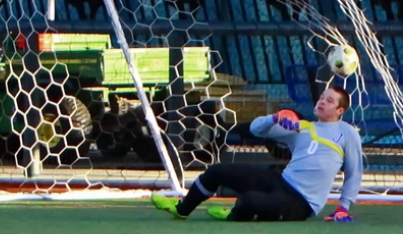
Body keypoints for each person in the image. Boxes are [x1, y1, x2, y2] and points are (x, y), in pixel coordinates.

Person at [151, 86, 363, 222]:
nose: (322, 101)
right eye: (322, 97)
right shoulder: (303, 127)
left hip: (302, 203)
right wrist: (275, 117)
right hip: (281, 181)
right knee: (217, 171)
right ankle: (182, 209)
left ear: (340, 110)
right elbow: (255, 129)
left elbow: (354, 173)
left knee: (249, 201)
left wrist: (343, 208)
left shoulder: (347, 133)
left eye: (329, 100)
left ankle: (234, 214)